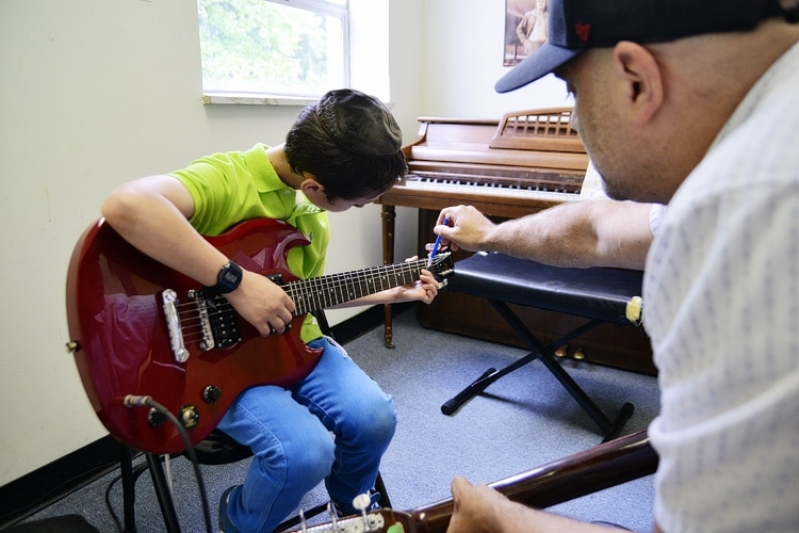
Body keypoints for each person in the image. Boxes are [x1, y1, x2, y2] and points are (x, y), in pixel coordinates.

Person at [435, 1, 799, 532]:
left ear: (635, 80)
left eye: (572, 91)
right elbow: (599, 229)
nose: (575, 119)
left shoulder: (743, 206)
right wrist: (491, 235)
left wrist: (502, 522)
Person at [100, 88, 442, 533]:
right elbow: (125, 206)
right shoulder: (228, 178)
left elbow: (300, 298)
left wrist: (390, 292)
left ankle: (351, 511)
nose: (355, 210)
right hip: (217, 364)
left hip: (293, 347)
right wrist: (235, 283)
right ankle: (240, 522)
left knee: (374, 418)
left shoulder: (309, 212)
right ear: (314, 186)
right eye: (355, 203)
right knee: (305, 452)